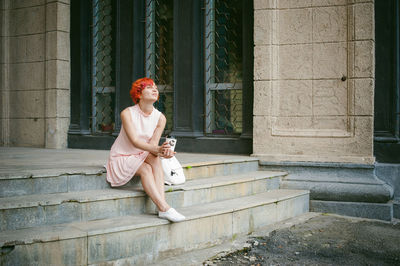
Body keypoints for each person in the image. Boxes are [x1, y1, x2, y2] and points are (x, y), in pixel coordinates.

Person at [105, 77, 185, 222]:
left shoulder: (160, 118)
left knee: (154, 159)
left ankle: (162, 206)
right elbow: (135, 141)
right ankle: (164, 208)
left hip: (142, 154)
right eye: (149, 87)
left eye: (155, 87)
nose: (155, 89)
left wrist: (163, 152)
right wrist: (157, 149)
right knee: (146, 169)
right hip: (123, 155)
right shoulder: (127, 113)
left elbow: (153, 146)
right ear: (139, 94)